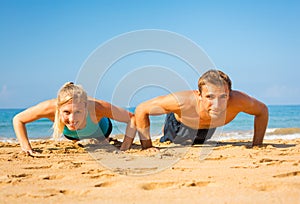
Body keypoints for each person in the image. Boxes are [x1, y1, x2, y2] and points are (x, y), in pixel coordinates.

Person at [135, 69, 269, 150]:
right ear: (199, 95)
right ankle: (167, 131)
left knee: (198, 143)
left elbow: (262, 111)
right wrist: (147, 146)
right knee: (175, 142)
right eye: (210, 97)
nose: (217, 104)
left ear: (230, 93)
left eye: (223, 96)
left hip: (208, 128)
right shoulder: (182, 101)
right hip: (179, 126)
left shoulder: (239, 100)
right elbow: (141, 109)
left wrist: (257, 144)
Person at [13, 82, 136, 155]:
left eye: (78, 111)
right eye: (66, 112)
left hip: (102, 131)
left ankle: (106, 139)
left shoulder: (97, 107)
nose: (72, 119)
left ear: (86, 107)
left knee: (101, 140)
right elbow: (18, 119)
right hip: (71, 135)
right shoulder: (49, 107)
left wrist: (125, 147)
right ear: (58, 108)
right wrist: (26, 147)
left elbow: (132, 119)